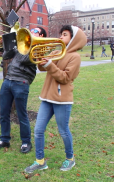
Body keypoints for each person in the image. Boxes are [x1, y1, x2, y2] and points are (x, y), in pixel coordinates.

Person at [24, 25, 87, 173]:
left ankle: (70, 159)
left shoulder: (75, 57)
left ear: (73, 39)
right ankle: (40, 161)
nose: (60, 37)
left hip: (62, 100)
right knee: (38, 130)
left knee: (63, 131)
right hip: (47, 97)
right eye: (61, 34)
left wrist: (49, 64)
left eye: (64, 35)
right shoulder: (57, 51)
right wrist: (41, 60)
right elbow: (43, 68)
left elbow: (65, 78)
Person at [0, 26, 47, 153]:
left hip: (21, 82)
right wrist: (10, 43)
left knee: (21, 114)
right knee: (4, 113)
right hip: (8, 81)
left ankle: (26, 142)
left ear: (41, 36)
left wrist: (19, 45)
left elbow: (24, 59)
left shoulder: (38, 48)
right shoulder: (23, 45)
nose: (32, 31)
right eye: (32, 30)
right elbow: (6, 55)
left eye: (36, 31)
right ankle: (4, 139)